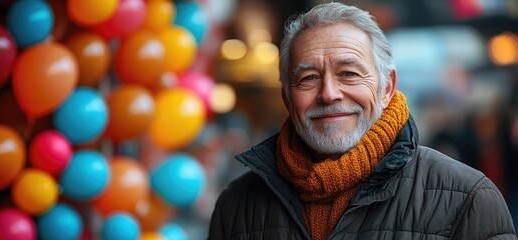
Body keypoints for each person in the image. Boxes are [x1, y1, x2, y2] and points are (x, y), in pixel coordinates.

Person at [208, 2, 517, 240]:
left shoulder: (468, 199)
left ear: (387, 88)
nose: (329, 93)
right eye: (309, 78)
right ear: (287, 97)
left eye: (349, 73)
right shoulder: (236, 205)